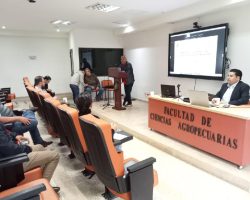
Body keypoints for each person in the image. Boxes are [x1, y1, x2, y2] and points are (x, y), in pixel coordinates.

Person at [0, 122, 60, 191]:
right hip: (10, 165)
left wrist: (15, 135)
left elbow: (5, 131)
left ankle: (42, 182)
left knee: (40, 147)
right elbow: (11, 150)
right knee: (55, 155)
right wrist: (27, 148)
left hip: (10, 157)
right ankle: (44, 189)